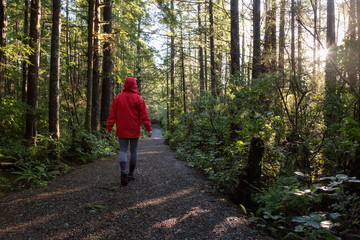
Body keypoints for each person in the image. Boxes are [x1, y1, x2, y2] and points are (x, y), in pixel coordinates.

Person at [106, 77, 152, 186]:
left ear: (125, 85)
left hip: (122, 129)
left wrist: (109, 128)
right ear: (135, 85)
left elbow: (112, 115)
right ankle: (130, 174)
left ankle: (123, 171)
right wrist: (148, 128)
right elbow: (144, 116)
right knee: (134, 152)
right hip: (134, 130)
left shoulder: (118, 98)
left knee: (122, 150)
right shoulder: (139, 99)